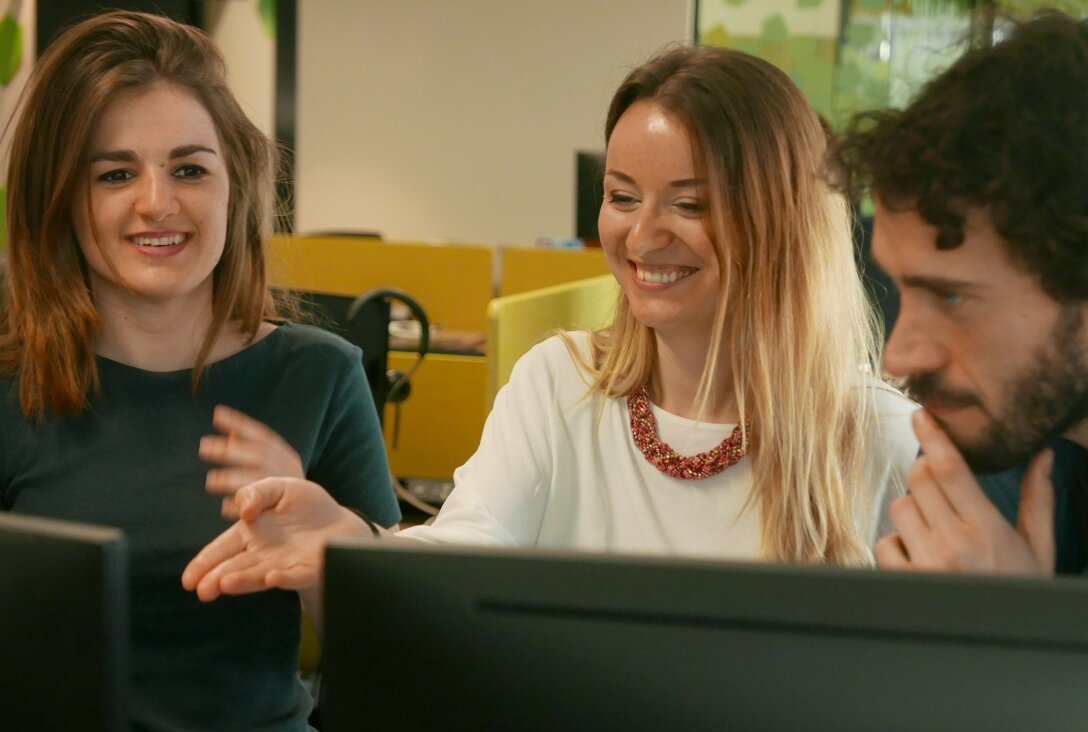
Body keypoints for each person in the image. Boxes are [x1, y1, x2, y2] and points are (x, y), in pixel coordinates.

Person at [182, 46, 918, 613]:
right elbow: (463, 561)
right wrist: (352, 542)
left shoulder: (882, 437)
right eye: (622, 196)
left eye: (689, 205)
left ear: (782, 223)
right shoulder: (560, 384)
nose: (641, 234)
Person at [0, 11, 400, 732]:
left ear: (234, 183)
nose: (159, 201)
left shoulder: (318, 374)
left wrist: (328, 551)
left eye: (189, 168)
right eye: (115, 173)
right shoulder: (9, 387)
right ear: (60, 196)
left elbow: (400, 663)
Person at [829, 11, 1088, 578]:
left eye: (950, 298)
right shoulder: (991, 437)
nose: (897, 358)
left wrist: (1017, 634)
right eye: (902, 288)